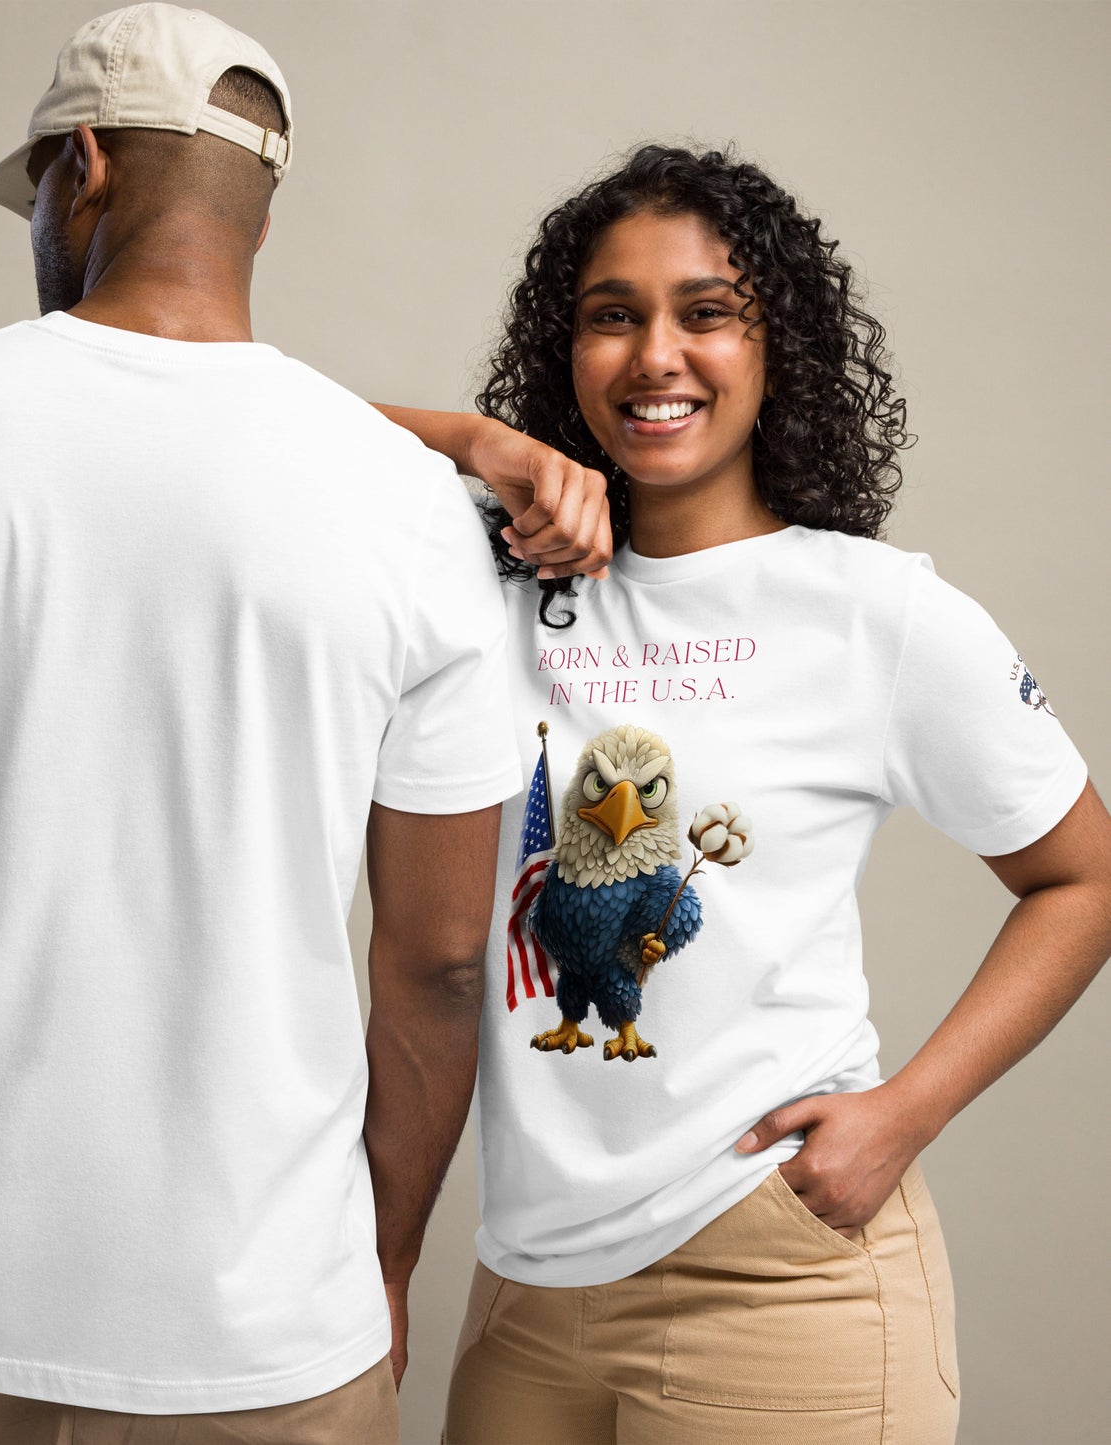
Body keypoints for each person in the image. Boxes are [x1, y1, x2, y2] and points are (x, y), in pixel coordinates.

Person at [0, 6, 522, 1442]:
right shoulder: (406, 506)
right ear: (260, 212)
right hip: (272, 1342)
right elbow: (441, 961)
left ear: (77, 169)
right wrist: (376, 1267)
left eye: (30, 186)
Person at [379, 143, 1111, 1443]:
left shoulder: (869, 613)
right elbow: (252, 437)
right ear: (566, 348)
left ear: (779, 348)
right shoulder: (483, 586)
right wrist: (478, 444)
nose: (656, 354)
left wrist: (904, 1112)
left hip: (774, 1274)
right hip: (525, 1284)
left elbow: (1083, 876)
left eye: (705, 312)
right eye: (613, 316)